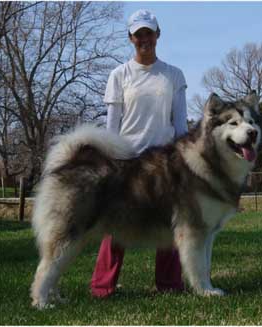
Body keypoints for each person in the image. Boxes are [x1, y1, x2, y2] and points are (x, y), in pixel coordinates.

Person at [90, 9, 188, 298]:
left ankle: (169, 284)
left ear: (158, 34)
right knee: (115, 225)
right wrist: (109, 160)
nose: (144, 39)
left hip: (164, 162)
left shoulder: (173, 75)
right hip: (127, 161)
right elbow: (111, 126)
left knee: (169, 225)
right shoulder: (119, 75)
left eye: (149, 32)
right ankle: (102, 287)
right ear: (130, 38)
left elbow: (180, 123)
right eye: (138, 34)